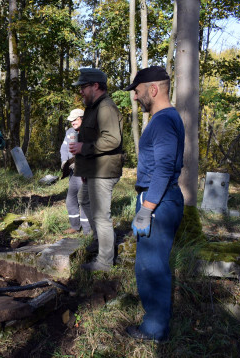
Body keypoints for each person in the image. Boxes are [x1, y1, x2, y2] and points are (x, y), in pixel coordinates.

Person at [123, 66, 185, 342]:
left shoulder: (162, 121)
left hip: (158, 202)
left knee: (152, 266)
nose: (135, 98)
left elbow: (163, 168)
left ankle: (154, 330)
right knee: (150, 264)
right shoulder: (168, 119)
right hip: (160, 199)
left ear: (153, 89)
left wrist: (147, 208)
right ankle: (155, 323)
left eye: (137, 92)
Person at [69, 68, 124, 272]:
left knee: (102, 216)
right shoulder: (93, 107)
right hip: (93, 169)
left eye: (84, 87)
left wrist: (84, 148)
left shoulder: (106, 108)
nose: (81, 91)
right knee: (84, 200)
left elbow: (112, 139)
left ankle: (105, 261)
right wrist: (84, 168)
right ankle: (100, 239)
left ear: (96, 86)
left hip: (103, 170)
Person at [60, 108, 91, 235]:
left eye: (75, 119)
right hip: (73, 172)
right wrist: (64, 161)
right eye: (71, 120)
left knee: (83, 199)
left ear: (82, 118)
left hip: (86, 172)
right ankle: (75, 226)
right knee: (70, 199)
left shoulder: (89, 131)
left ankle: (87, 229)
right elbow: (63, 148)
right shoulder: (69, 132)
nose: (73, 122)